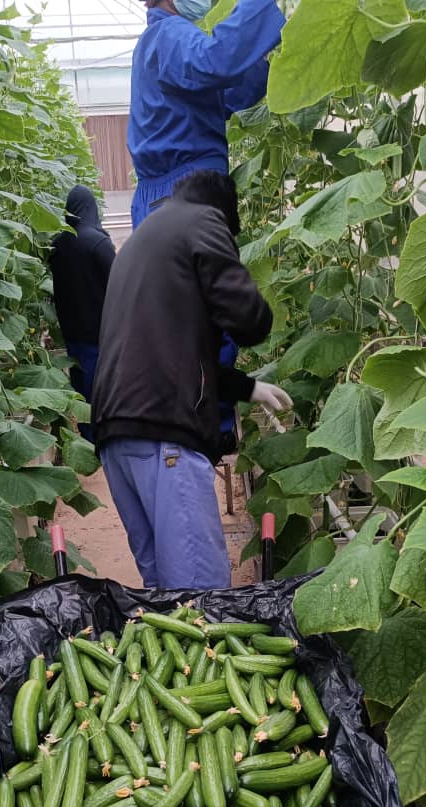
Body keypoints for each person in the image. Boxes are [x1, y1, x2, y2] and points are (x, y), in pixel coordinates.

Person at [92, 171, 292, 591]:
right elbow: (250, 321)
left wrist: (248, 388)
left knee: (166, 601)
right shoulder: (203, 221)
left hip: (118, 437)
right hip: (165, 436)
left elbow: (167, 354)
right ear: (224, 211)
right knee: (200, 597)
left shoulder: (144, 238)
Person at [128, 0, 285, 453]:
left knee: (187, 317)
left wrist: (272, 49)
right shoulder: (170, 36)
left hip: (169, 193)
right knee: (197, 316)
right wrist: (261, 7)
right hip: (183, 188)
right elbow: (219, 59)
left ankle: (201, 422)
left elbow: (237, 89)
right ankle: (196, 426)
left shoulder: (165, 43)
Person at [128, 0, 285, 229]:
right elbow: (216, 60)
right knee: (202, 263)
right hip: (187, 192)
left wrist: (263, 60)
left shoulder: (153, 39)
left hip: (164, 198)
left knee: (173, 264)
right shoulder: (170, 32)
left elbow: (221, 100)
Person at [49, 185, 116, 441]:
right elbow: (118, 282)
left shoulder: (58, 243)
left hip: (71, 328)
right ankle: (107, 435)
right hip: (100, 330)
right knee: (104, 383)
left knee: (81, 383)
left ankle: (89, 437)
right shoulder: (98, 242)